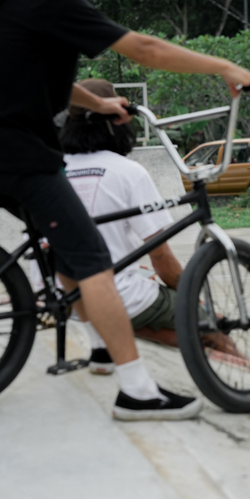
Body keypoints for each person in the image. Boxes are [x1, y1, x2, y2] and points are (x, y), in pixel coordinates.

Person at [0, 0, 250, 421]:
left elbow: (30, 76)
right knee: (94, 260)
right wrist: (226, 66)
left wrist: (96, 102)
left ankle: (100, 348)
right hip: (21, 161)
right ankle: (137, 392)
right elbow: (145, 48)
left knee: (70, 254)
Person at [58, 79, 236, 373]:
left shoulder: (55, 171)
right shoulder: (127, 172)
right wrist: (197, 302)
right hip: (113, 296)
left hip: (61, 298)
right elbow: (162, 259)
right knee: (212, 327)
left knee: (161, 327)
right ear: (115, 123)